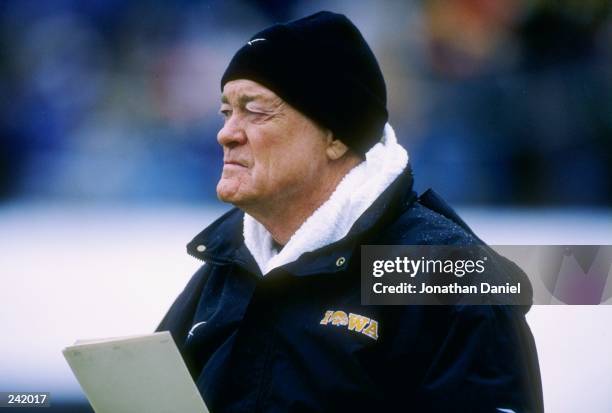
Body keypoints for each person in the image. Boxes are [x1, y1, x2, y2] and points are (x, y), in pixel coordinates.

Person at [157, 11, 543, 412]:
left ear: (336, 137)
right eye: (226, 112)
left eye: (255, 111)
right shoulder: (228, 265)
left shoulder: (446, 276)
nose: (226, 133)